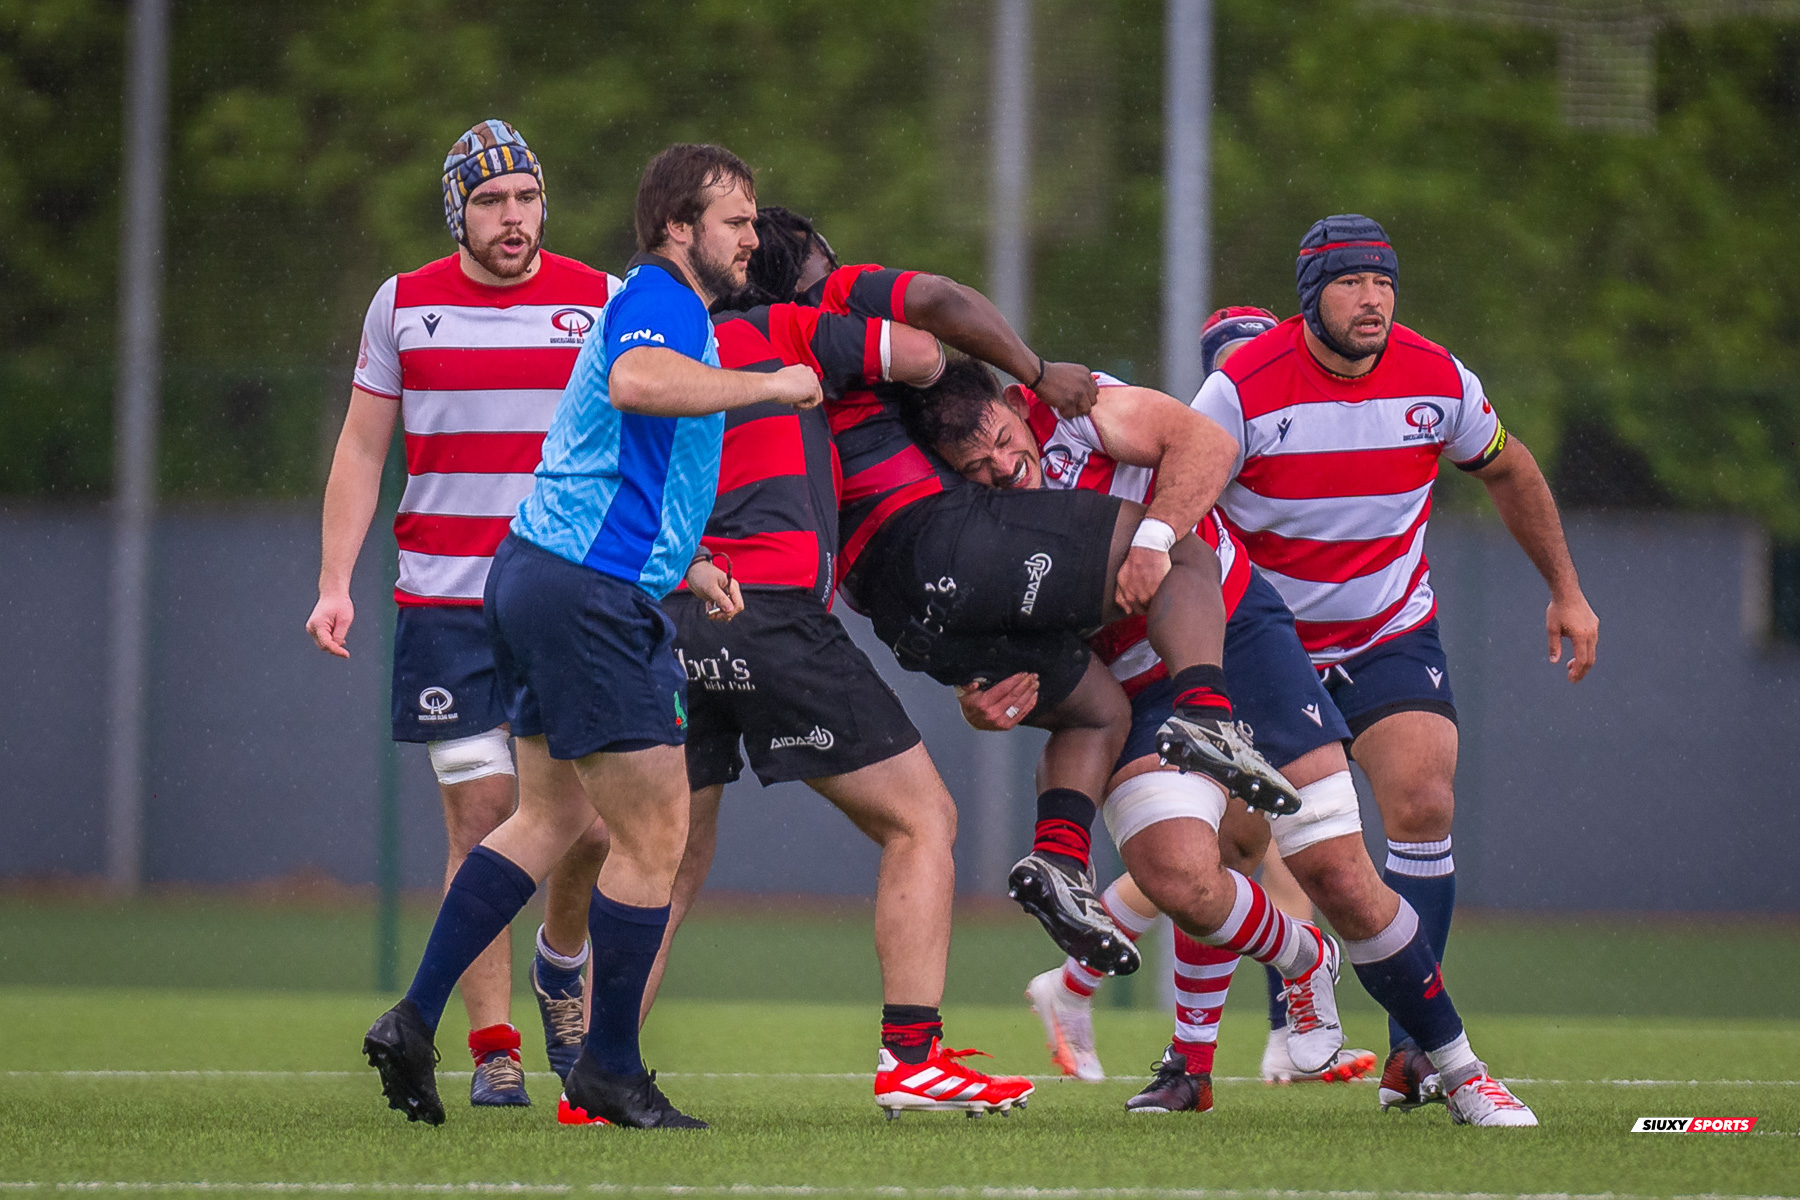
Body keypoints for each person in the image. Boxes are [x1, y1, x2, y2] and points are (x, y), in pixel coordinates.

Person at [927, 361, 1538, 1125]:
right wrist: (977, 696)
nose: (1001, 470)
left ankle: (1460, 1068)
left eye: (1001, 442)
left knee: (1338, 875)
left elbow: (1204, 443)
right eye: (974, 467)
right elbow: (976, 630)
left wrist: (1155, 536)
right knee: (1175, 874)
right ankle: (1300, 961)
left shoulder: (1084, 412)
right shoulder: (954, 516)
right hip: (1132, 685)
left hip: (1233, 637)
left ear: (1017, 404)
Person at [359, 142, 823, 1130]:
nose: (751, 238)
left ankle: (412, 1019)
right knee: (656, 829)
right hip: (583, 594)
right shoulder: (664, 300)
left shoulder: (656, 302)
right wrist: (771, 385)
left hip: (538, 574)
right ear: (676, 227)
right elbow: (639, 388)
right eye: (735, 222)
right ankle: (610, 1067)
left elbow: (611, 459)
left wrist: (683, 561)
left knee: (549, 820)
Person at [1194, 215, 1597, 1119]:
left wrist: (1566, 589)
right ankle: (1217, 1034)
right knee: (1266, 856)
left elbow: (1511, 469)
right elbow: (1182, 510)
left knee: (1422, 802)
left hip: (1387, 630)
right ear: (1311, 297)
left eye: (1384, 282)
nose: (1372, 298)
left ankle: (1415, 1050)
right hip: (1269, 646)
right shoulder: (1241, 390)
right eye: (1349, 283)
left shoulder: (1438, 377)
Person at [634, 207, 1031, 1117]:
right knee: (922, 820)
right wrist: (844, 330)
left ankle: (601, 1063)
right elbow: (927, 352)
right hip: (766, 612)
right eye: (821, 269)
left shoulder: (661, 353)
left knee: (667, 857)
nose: (834, 278)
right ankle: (912, 1058)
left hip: (677, 615)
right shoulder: (784, 327)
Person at [305, 119, 612, 1108]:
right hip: (444, 606)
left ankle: (561, 963)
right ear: (459, 213)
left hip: (563, 601)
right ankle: (493, 1047)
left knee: (592, 831)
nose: (512, 217)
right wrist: (335, 581)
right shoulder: (403, 306)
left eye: (525, 197)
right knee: (484, 816)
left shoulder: (599, 300)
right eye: (490, 201)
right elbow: (360, 451)